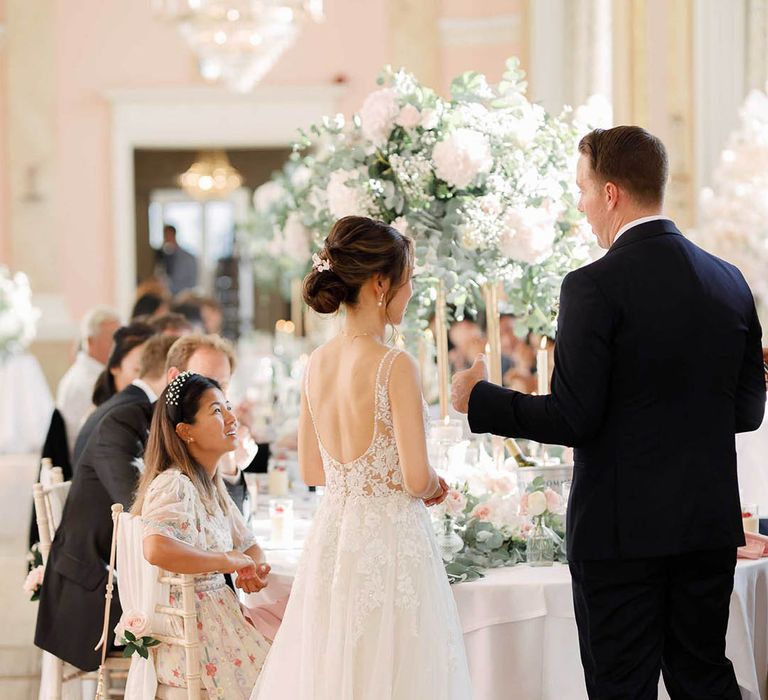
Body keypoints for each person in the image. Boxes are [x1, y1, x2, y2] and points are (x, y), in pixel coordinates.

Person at [451, 126, 766, 699]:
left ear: (612, 193)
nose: (581, 204)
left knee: (622, 689)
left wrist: (480, 400)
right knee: (704, 678)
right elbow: (746, 412)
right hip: (705, 526)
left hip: (621, 536)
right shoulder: (730, 282)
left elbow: (574, 419)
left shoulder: (593, 286)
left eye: (583, 189)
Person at [251, 216, 471, 700]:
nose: (410, 294)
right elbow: (415, 479)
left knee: (340, 672)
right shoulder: (395, 364)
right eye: (408, 281)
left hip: (335, 539)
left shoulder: (316, 363)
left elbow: (312, 471)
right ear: (379, 284)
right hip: (391, 542)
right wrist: (438, 485)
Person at [35, 334, 177, 671]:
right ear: (175, 376)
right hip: (95, 584)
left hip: (111, 565)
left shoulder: (132, 407)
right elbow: (136, 507)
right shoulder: (125, 416)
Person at [132, 371, 271, 697]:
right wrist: (224, 561)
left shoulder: (211, 485)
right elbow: (155, 549)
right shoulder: (173, 483)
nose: (232, 418)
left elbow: (249, 545)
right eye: (216, 411)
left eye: (228, 407)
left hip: (218, 619)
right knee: (292, 668)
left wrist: (256, 568)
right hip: (192, 632)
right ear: (185, 431)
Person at [165, 334, 269, 512]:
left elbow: (238, 530)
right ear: (175, 377)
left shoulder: (218, 431)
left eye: (223, 386)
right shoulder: (149, 431)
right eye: (206, 382)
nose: (218, 395)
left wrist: (230, 468)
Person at [56, 306, 121, 459]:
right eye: (112, 340)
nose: (119, 347)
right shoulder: (85, 382)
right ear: (91, 341)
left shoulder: (99, 374)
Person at [91, 321, 155, 407]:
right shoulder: (108, 415)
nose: (147, 380)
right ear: (115, 367)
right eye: (138, 370)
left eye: (153, 370)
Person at [155, 224, 198, 296]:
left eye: (168, 235)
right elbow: (159, 275)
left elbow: (192, 283)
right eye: (165, 236)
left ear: (173, 234)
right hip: (167, 295)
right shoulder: (164, 256)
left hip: (183, 296)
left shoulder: (188, 258)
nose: (166, 238)